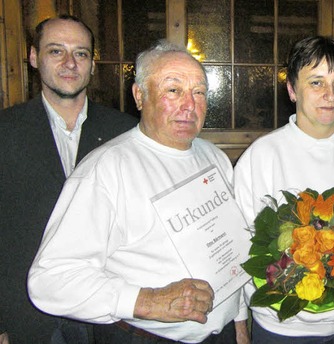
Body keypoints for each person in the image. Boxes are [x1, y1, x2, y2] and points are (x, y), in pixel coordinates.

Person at [27, 40, 250, 344]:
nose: (189, 104)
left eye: (199, 92)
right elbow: (49, 281)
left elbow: (225, 251)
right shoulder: (106, 170)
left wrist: (237, 320)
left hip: (220, 335)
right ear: (139, 95)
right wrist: (148, 300)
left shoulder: (214, 157)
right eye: (173, 90)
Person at [233, 36, 334, 343]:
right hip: (282, 326)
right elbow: (239, 247)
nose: (330, 95)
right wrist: (240, 319)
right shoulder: (262, 156)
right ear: (292, 89)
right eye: (316, 82)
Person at [0, 15, 137, 344]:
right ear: (34, 58)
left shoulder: (125, 132)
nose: (70, 63)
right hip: (28, 315)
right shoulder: (5, 131)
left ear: (92, 64)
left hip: (107, 317)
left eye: (81, 53)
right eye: (56, 51)